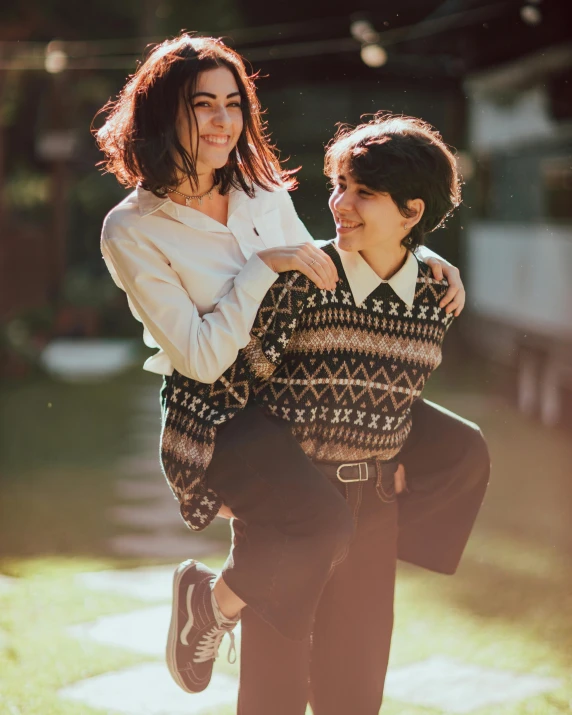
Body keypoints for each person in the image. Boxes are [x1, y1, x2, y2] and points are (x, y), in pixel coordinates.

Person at [94, 33, 481, 712]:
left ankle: (346, 548)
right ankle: (212, 605)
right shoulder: (132, 228)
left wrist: (422, 259)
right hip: (221, 403)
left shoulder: (258, 188)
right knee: (318, 524)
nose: (221, 121)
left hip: (295, 377)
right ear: (162, 115)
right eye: (199, 105)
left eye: (231, 103)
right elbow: (208, 352)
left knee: (460, 450)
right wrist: (260, 268)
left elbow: (325, 261)